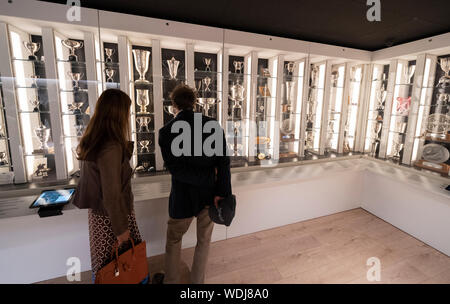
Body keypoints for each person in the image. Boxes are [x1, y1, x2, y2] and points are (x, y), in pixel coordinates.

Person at [158, 84, 232, 284]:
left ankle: (171, 281)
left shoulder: (166, 132)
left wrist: (208, 177)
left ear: (174, 105)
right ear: (195, 102)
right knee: (204, 241)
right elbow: (223, 163)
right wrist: (222, 191)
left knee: (173, 241)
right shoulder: (213, 125)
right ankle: (197, 284)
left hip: (182, 197)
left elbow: (177, 170)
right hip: (210, 196)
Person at [71, 89, 145, 283]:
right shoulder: (111, 147)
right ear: (118, 114)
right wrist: (122, 232)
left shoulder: (96, 141)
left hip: (100, 217)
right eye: (127, 112)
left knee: (106, 267)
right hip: (112, 219)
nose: (128, 117)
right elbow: (112, 196)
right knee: (117, 267)